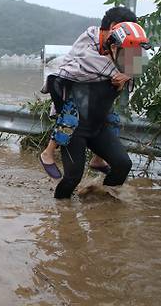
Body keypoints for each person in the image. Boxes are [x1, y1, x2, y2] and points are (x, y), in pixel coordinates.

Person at [42, 19, 151, 198]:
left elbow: (137, 70)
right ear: (114, 48)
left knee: (123, 164)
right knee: (73, 176)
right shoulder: (88, 63)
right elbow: (56, 78)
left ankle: (102, 198)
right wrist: (62, 113)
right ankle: (61, 213)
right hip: (76, 130)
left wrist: (127, 74)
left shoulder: (127, 69)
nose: (131, 59)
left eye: (135, 54)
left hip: (99, 128)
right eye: (128, 53)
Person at [39, 6, 135, 179]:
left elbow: (134, 67)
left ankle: (98, 160)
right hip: (73, 92)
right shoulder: (89, 37)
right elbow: (85, 64)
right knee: (69, 119)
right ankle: (48, 153)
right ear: (113, 26)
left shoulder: (121, 45)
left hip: (97, 104)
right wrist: (115, 72)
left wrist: (126, 75)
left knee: (112, 120)